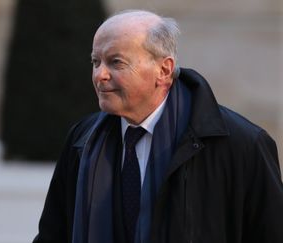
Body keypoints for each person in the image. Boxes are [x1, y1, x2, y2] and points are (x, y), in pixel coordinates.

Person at [33, 9, 283, 243]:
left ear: (164, 70)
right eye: (96, 61)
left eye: (116, 62)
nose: (100, 75)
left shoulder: (242, 145)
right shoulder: (82, 140)